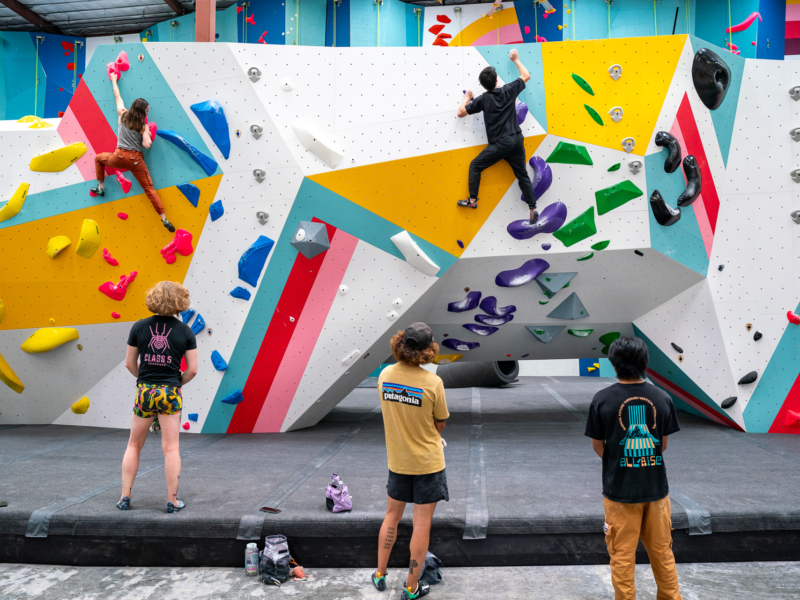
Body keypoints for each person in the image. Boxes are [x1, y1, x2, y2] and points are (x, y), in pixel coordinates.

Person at [585, 337, 683, 600]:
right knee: (663, 554)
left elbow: (598, 446)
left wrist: (621, 459)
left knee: (622, 558)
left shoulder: (602, 400)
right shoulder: (662, 398)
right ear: (644, 362)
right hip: (656, 492)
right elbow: (662, 445)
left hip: (619, 493)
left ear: (614, 364)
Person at [372, 323, 449, 600]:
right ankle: (411, 587)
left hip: (398, 461)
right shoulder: (433, 383)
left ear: (399, 343)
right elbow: (439, 424)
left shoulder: (385, 376)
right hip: (428, 464)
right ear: (429, 349)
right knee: (421, 525)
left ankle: (380, 574)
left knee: (391, 516)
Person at [118, 281, 198, 513]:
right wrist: (175, 385)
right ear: (179, 301)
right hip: (170, 392)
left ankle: (125, 496)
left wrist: (144, 379)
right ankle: (171, 501)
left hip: (145, 390)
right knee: (171, 449)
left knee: (134, 445)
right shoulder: (185, 331)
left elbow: (129, 363)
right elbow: (192, 369)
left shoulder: (139, 327)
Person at [456, 49, 538, 223]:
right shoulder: (508, 90)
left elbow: (461, 113)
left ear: (484, 85)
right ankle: (532, 208)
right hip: (516, 139)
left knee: (475, 166)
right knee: (521, 174)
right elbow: (526, 75)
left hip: (501, 144)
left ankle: (472, 201)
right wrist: (516, 59)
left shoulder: (483, 99)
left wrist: (467, 98)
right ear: (496, 80)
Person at [92, 73, 175, 232]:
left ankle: (101, 188)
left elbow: (117, 96)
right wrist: (150, 133)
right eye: (147, 111)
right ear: (142, 112)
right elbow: (147, 145)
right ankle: (164, 219)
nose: (147, 114)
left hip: (118, 157)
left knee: (98, 158)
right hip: (136, 160)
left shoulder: (122, 115)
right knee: (149, 190)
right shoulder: (143, 127)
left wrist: (114, 80)